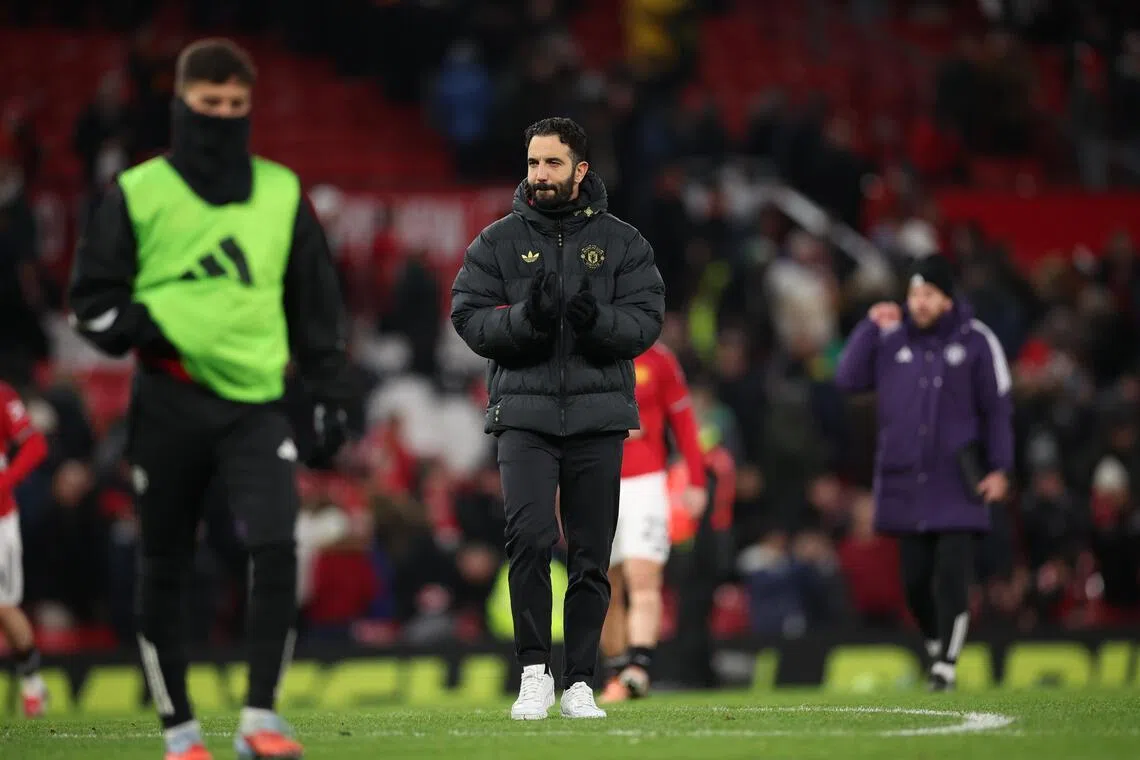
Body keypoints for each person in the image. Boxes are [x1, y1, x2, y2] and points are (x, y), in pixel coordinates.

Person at [68, 38, 353, 760]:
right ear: (182, 106)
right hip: (169, 397)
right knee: (163, 560)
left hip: (257, 401)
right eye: (209, 105)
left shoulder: (282, 193)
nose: (222, 117)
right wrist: (149, 329)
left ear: (248, 108)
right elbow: (92, 302)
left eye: (235, 106)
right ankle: (180, 732)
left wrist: (326, 389)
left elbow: (316, 305)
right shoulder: (138, 193)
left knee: (275, 544)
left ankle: (260, 719)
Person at [450, 116, 665, 720]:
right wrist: (530, 319)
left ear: (580, 170)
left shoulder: (624, 243)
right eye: (533, 163)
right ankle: (533, 674)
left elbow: (646, 323)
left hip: (598, 419)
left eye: (552, 164)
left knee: (592, 553)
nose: (540, 175)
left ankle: (579, 682)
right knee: (531, 541)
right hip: (523, 416)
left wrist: (593, 319)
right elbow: (468, 317)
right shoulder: (495, 241)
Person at [835, 254, 1013, 691]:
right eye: (914, 294)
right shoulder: (893, 341)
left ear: (948, 300)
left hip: (957, 479)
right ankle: (937, 648)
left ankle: (946, 666)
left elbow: (998, 410)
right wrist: (869, 325)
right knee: (914, 582)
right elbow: (847, 378)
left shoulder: (976, 341)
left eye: (929, 294)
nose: (919, 303)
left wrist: (1001, 468)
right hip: (905, 480)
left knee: (952, 574)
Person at [598, 341, 706, 702]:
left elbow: (684, 420)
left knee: (644, 578)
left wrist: (696, 479)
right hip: (596, 482)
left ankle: (638, 668)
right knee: (603, 587)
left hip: (646, 482)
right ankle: (616, 670)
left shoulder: (659, 359)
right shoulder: (586, 350)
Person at [0, 379, 49, 717]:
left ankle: (32, 682)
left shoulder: (2, 396)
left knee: (2, 606)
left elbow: (34, 445)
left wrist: (5, 481)